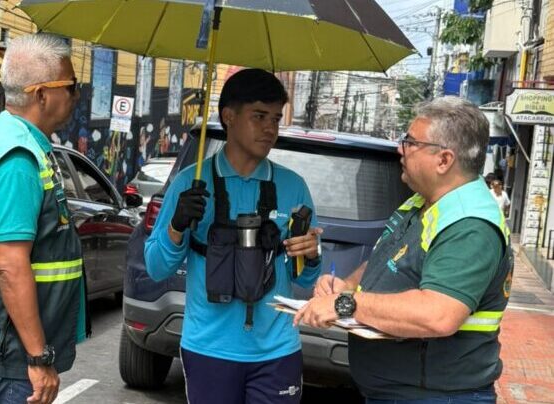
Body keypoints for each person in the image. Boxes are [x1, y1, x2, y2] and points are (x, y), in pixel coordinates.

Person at [295, 96, 513, 403]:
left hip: (435, 396)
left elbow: (438, 315)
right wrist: (347, 285)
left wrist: (345, 303)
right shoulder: (422, 201)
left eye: (411, 142)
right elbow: (388, 260)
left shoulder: (469, 225)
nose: (400, 149)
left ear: (444, 160)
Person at [145, 69, 322, 404]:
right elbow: (156, 268)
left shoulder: (293, 187)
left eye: (275, 119)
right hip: (208, 349)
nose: (270, 128)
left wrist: (311, 255)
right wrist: (177, 226)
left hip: (277, 350)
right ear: (228, 117)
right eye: (259, 116)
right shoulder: (190, 184)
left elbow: (305, 279)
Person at [0, 34, 86, 404]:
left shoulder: (13, 136)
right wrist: (38, 357)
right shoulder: (18, 159)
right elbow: (10, 264)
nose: (76, 95)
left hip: (6, 340)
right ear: (41, 95)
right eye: (71, 85)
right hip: (13, 352)